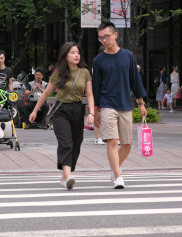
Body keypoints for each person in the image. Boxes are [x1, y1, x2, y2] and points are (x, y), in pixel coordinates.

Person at [29, 42, 94, 190]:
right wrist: (34, 110)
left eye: (78, 52)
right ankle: (68, 176)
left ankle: (64, 176)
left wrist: (91, 113)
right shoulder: (59, 73)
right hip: (61, 111)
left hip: (78, 110)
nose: (76, 55)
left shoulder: (84, 72)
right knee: (66, 143)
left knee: (76, 143)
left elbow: (89, 94)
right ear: (65, 55)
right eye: (72, 53)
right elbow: (46, 93)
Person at [92, 22, 147, 189]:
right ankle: (118, 176)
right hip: (107, 104)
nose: (104, 40)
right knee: (113, 141)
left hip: (125, 104)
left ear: (115, 35)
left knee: (127, 144)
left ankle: (114, 168)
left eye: (106, 36)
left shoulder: (128, 56)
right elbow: (96, 87)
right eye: (101, 38)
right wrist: (95, 111)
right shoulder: (98, 60)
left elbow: (135, 80)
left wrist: (141, 103)